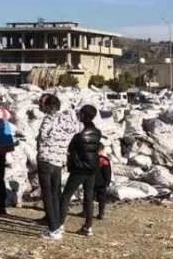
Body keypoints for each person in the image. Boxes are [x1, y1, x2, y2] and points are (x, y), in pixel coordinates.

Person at [36, 94, 80, 241]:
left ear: (49, 107)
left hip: (46, 159)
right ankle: (59, 224)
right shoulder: (68, 120)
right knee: (56, 192)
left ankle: (53, 229)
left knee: (47, 194)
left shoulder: (49, 118)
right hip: (59, 160)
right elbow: (74, 134)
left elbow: (42, 135)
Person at [58, 104, 103, 236]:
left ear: (84, 115)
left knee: (66, 195)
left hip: (79, 169)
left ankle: (60, 224)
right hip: (93, 169)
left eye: (81, 114)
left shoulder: (79, 136)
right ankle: (88, 227)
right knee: (89, 197)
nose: (79, 116)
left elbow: (71, 150)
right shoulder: (98, 133)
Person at [94, 143, 112, 220]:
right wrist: (107, 181)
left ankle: (85, 212)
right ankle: (101, 213)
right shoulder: (104, 160)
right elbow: (107, 172)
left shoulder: (91, 159)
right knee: (102, 198)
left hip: (92, 182)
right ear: (101, 150)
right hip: (102, 183)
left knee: (88, 197)